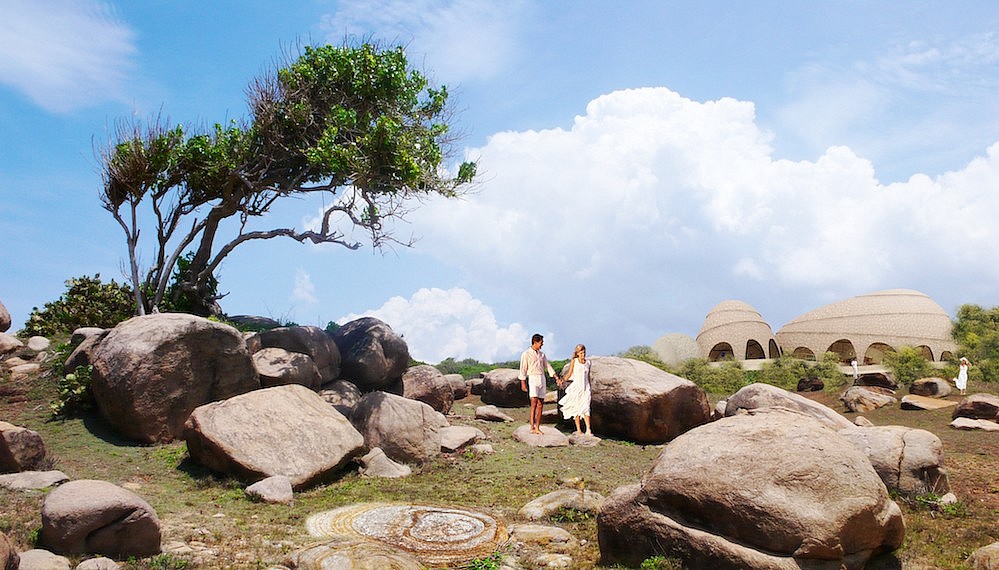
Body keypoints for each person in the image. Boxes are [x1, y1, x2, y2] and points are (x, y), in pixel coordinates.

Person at [519, 333, 557, 435]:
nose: (541, 345)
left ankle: (537, 427)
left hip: (542, 378)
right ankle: (532, 426)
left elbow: (547, 366)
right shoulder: (526, 354)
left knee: (541, 404)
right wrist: (523, 383)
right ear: (535, 342)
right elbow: (523, 369)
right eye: (541, 343)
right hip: (532, 378)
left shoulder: (542, 354)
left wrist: (555, 376)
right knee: (534, 403)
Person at [558, 344, 592, 435]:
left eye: (584, 352)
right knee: (576, 407)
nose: (583, 354)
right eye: (581, 353)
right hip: (577, 388)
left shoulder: (588, 362)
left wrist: (590, 388)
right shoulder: (574, 361)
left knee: (586, 407)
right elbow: (569, 373)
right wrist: (563, 381)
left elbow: (588, 376)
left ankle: (588, 429)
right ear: (577, 353)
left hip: (586, 388)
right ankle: (579, 429)